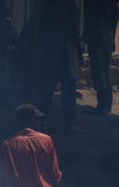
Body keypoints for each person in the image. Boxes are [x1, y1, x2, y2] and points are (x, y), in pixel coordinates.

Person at [29, 0, 80, 130]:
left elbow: (74, 29)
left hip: (59, 51)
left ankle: (66, 123)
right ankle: (55, 122)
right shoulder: (50, 4)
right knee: (52, 89)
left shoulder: (56, 4)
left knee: (56, 89)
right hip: (56, 51)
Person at [83, 0, 118, 115]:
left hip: (98, 36)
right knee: (103, 72)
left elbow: (90, 16)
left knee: (100, 72)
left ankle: (103, 106)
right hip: (105, 35)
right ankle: (104, 105)